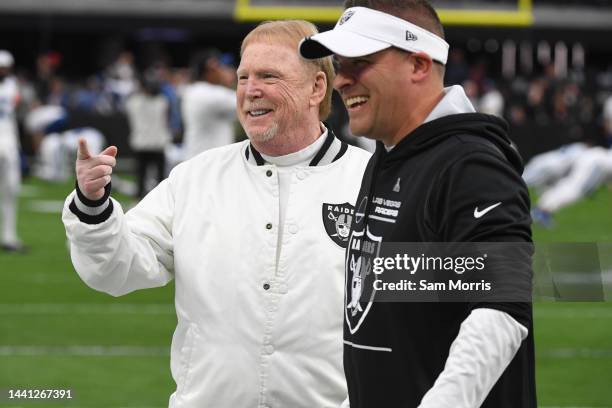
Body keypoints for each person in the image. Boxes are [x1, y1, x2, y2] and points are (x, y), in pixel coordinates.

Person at [62, 20, 370, 407]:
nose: (251, 90)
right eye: (243, 78)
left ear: (316, 88)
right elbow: (117, 269)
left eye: (269, 76)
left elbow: (416, 322)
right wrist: (94, 209)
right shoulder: (195, 178)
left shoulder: (375, 184)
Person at [300, 1, 535, 407]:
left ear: (419, 65)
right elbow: (392, 319)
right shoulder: (389, 156)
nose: (341, 80)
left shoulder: (470, 163)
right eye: (341, 64)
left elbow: (502, 308)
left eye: (360, 62)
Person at [181, 49, 237, 160]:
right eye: (219, 67)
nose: (222, 71)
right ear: (210, 69)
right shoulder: (207, 94)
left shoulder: (195, 90)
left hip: (201, 157)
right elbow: (248, 101)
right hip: (205, 161)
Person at [125, 70, 172, 198]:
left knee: (146, 176)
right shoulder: (162, 101)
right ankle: (156, 197)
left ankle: (141, 196)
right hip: (154, 143)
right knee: (156, 177)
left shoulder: (134, 101)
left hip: (145, 143)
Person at [0, 50, 24, 252]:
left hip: (8, 140)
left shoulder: (11, 84)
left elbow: (15, 102)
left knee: (11, 189)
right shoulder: (11, 86)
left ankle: (9, 236)